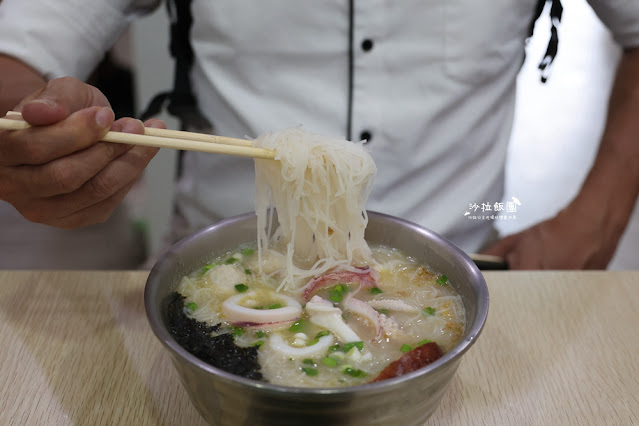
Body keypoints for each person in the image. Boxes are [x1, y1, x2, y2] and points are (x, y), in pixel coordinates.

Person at [0, 0, 638, 269]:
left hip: (460, 266)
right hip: (218, 266)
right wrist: (34, 141)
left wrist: (596, 219)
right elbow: (17, 48)